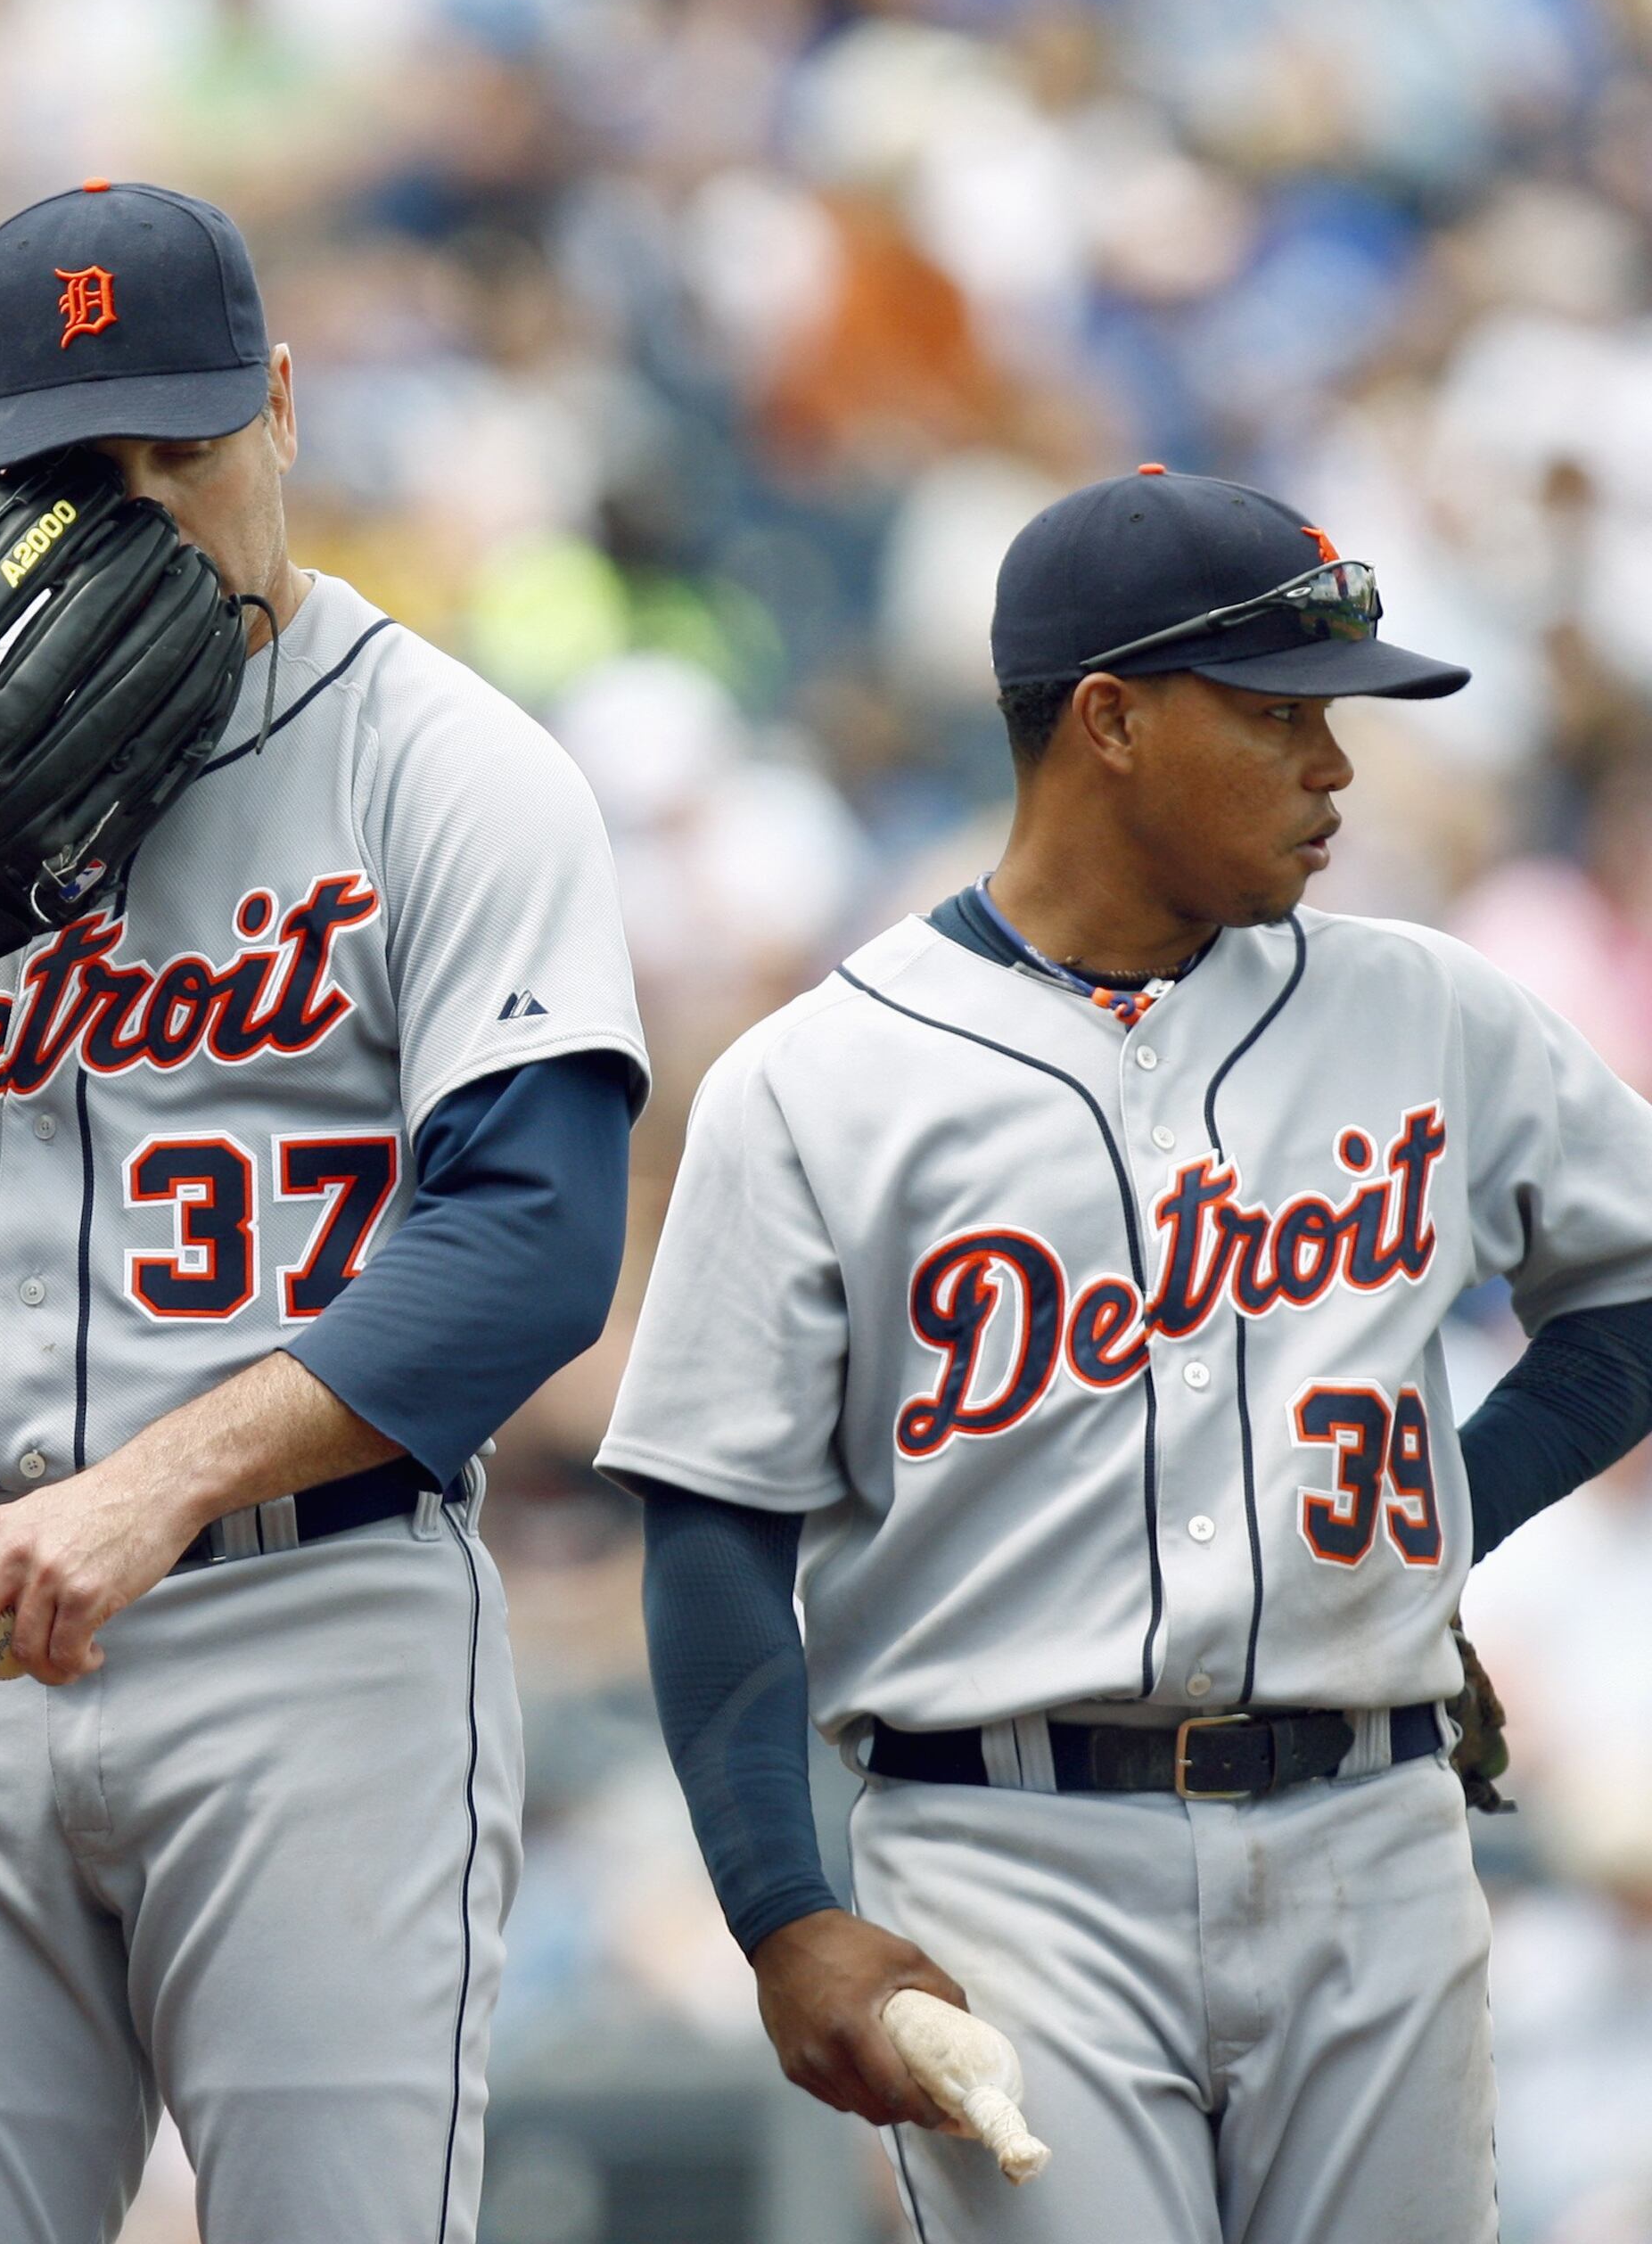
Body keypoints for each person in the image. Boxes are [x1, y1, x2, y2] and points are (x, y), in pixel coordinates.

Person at [0, 181, 647, 2241]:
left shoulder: (446, 765)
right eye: (78, 469)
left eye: (181, 447)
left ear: (284, 410)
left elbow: (531, 1243)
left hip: (313, 1621)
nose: (142, 506)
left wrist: (154, 1483)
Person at [601, 465, 1652, 2242]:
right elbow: (715, 1529)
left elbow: (1630, 1291)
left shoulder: (1430, 1006)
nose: (1335, 765)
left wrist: (1440, 1507)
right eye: (1278, 716)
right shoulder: (821, 1079)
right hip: (1009, 1853)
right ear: (1111, 719)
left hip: (1375, 1837)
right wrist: (785, 1909)